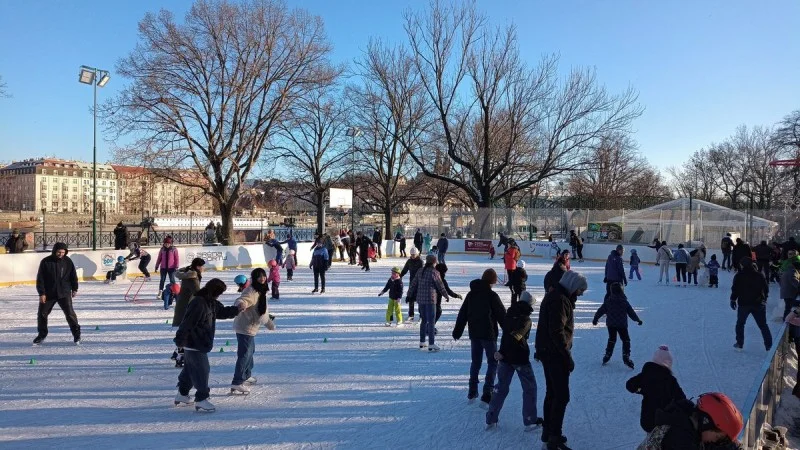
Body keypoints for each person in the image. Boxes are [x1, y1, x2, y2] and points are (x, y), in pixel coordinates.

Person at [535, 270, 588, 450]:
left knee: (552, 393)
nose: (580, 295)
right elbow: (556, 331)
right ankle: (554, 437)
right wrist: (567, 357)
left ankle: (548, 432)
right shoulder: (560, 300)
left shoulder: (555, 295)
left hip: (548, 352)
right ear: (573, 286)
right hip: (554, 354)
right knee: (561, 396)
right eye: (580, 290)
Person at [173, 279, 240, 412]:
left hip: (199, 342)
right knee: (202, 370)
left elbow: (221, 312)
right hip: (194, 342)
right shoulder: (199, 303)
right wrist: (180, 340)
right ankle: (201, 399)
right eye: (219, 293)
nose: (219, 296)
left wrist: (237, 310)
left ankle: (182, 394)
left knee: (190, 370)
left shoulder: (210, 302)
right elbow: (187, 323)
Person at [486, 291, 543, 431]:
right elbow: (515, 337)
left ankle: (491, 419)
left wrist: (502, 352)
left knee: (501, 387)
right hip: (519, 358)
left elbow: (507, 336)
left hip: (505, 358)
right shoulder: (526, 320)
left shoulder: (509, 314)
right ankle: (530, 421)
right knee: (530, 388)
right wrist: (502, 352)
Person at [453, 268, 505, 405]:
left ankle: (472, 391)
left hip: (474, 333)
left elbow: (462, 314)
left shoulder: (471, 294)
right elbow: (501, 315)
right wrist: (509, 330)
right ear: (493, 281)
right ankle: (487, 393)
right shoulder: (492, 295)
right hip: (488, 334)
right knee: (492, 362)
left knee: (476, 362)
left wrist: (457, 331)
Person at [637, 392, 743, 450]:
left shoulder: (692, 421)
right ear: (705, 422)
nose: (718, 442)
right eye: (719, 438)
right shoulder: (679, 438)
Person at [230, 268, 275, 394]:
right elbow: (243, 299)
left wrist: (269, 323)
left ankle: (246, 375)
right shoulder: (251, 290)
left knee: (250, 352)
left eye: (264, 276)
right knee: (244, 354)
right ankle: (237, 381)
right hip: (245, 327)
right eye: (259, 276)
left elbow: (262, 312)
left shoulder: (261, 290)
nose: (262, 278)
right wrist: (241, 304)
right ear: (254, 278)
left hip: (250, 326)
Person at [626, 345, 686, 433]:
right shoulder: (670, 380)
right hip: (664, 421)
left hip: (647, 421)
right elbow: (681, 398)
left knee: (651, 437)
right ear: (669, 363)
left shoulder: (646, 375)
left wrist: (641, 390)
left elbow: (630, 385)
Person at [34, 242, 81, 345]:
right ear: (54, 251)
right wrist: (42, 293)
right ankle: (42, 334)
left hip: (64, 292)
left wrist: (75, 288)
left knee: (70, 314)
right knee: (42, 314)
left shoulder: (68, 261)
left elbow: (73, 276)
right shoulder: (46, 261)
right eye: (59, 252)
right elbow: (40, 278)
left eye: (63, 252)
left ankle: (76, 335)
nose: (61, 254)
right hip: (49, 293)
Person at [592, 282, 642, 368]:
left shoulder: (608, 301)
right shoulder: (624, 302)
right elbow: (631, 313)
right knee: (625, 340)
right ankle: (626, 356)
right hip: (622, 324)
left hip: (611, 324)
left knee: (612, 339)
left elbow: (600, 310)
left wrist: (595, 319)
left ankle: (608, 354)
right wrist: (637, 320)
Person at [408, 254, 450, 353]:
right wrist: (446, 295)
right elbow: (440, 286)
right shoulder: (435, 272)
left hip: (420, 299)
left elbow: (413, 284)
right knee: (431, 322)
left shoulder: (420, 271)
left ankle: (422, 342)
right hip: (430, 299)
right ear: (434, 262)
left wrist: (409, 294)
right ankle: (431, 343)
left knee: (423, 320)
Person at [730, 257, 772, 351]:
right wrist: (764, 298)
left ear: (742, 265)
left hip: (744, 304)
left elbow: (735, 289)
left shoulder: (739, 275)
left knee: (740, 324)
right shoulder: (759, 275)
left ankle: (740, 343)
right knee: (763, 325)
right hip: (758, 303)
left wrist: (733, 300)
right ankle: (769, 345)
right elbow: (766, 288)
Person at [172, 257, 206, 367]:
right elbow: (198, 293)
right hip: (187, 308)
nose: (203, 268)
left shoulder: (189, 274)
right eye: (202, 266)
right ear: (198, 267)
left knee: (185, 332)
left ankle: (177, 353)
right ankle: (180, 357)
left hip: (184, 307)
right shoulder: (192, 277)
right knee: (185, 333)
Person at [434, 263, 461, 331]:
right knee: (438, 312)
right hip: (435, 300)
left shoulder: (431, 276)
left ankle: (428, 326)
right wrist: (456, 295)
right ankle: (430, 327)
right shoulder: (442, 280)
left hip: (426, 298)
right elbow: (448, 291)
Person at [400, 247, 424, 321]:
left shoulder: (420, 262)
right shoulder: (409, 261)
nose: (412, 256)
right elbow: (405, 270)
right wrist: (400, 276)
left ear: (417, 254)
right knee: (410, 298)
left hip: (419, 283)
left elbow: (423, 272)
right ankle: (411, 315)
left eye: (414, 254)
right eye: (411, 254)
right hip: (412, 282)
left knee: (420, 299)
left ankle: (421, 315)